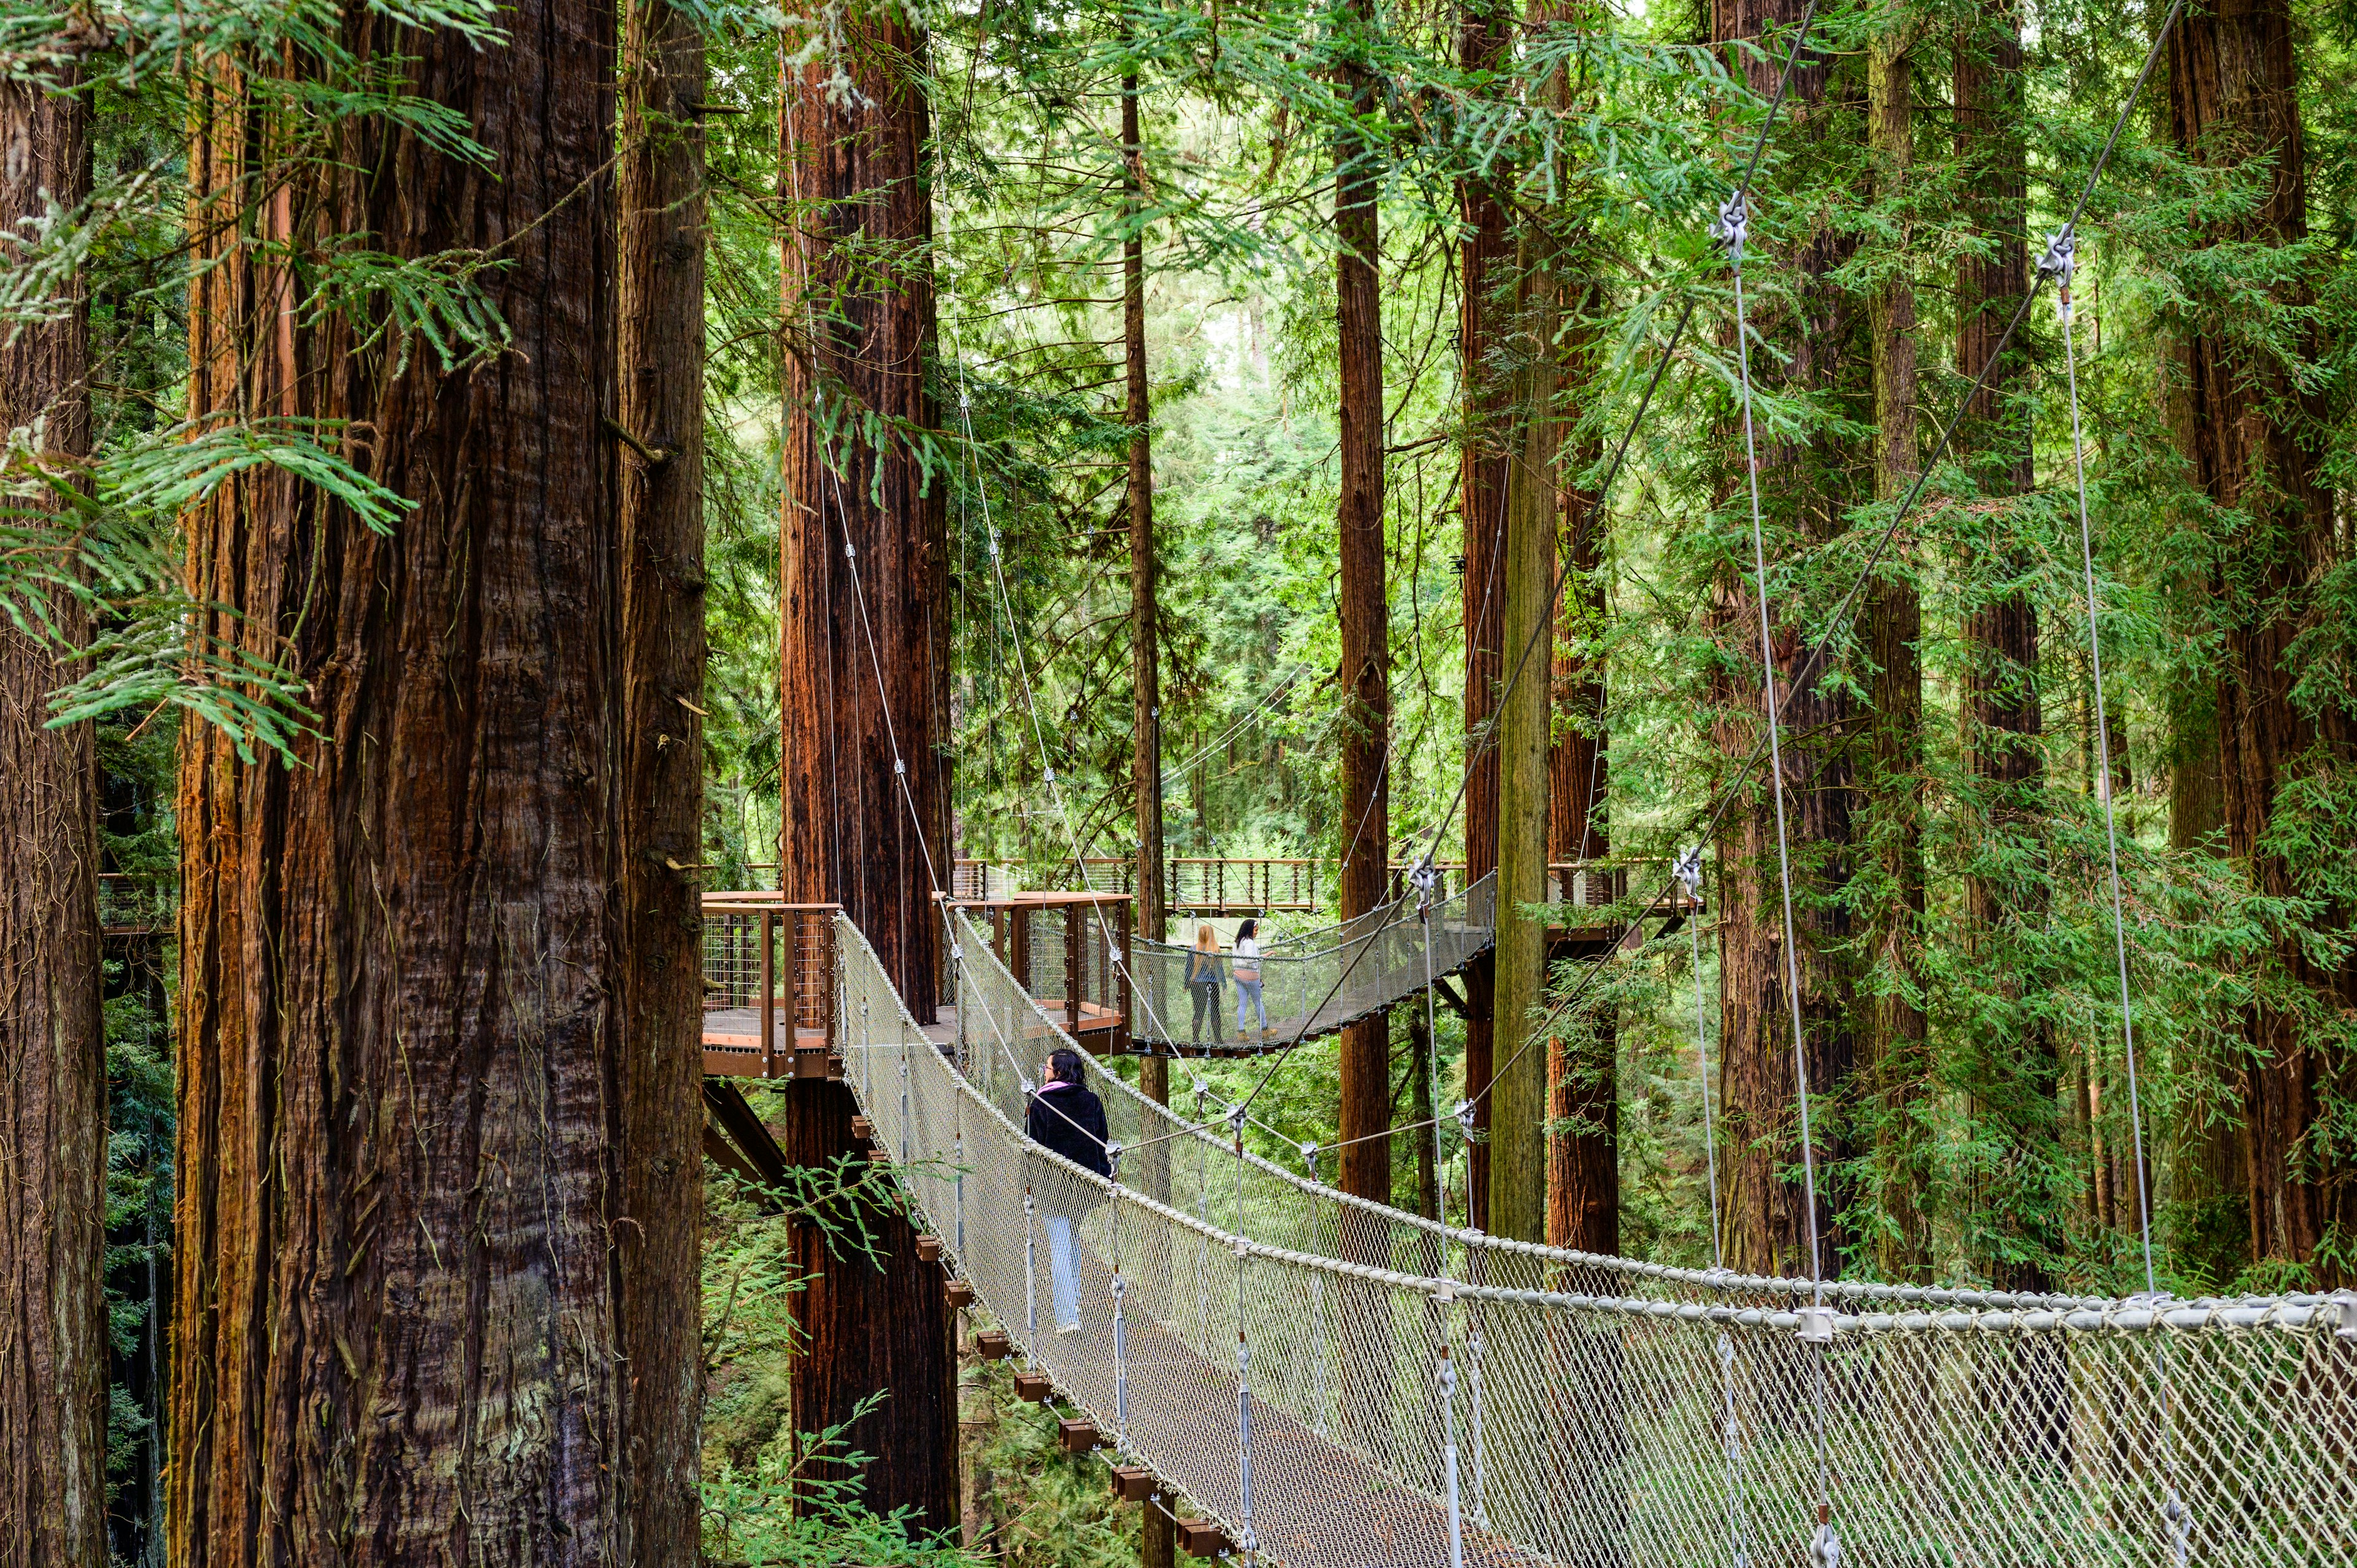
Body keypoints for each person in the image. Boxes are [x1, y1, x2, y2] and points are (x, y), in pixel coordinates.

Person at [1024, 1046, 1110, 1333]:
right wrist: (1105, 1179)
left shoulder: (1040, 1103)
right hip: (1085, 1187)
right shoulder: (1091, 1101)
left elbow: (1032, 1148)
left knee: (1061, 1248)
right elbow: (1101, 1142)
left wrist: (1031, 1185)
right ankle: (1072, 1305)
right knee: (1070, 1241)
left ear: (1058, 1071)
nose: (1044, 1072)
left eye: (1047, 1068)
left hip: (1051, 1187)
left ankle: (1067, 1316)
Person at [1184, 923, 1226, 1046]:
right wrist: (1224, 984)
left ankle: (1196, 1039)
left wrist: (1186, 985)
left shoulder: (1193, 950)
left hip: (1197, 984)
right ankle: (1218, 1039)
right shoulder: (1215, 950)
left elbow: (1189, 969)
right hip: (1212, 984)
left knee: (1198, 1011)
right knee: (1214, 1011)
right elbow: (1220, 969)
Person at [1233, 917, 1269, 1038]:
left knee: (1242, 1004)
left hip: (1238, 974)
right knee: (1258, 1002)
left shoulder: (1237, 942)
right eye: (1255, 930)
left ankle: (1241, 1032)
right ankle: (1265, 1030)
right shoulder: (1249, 942)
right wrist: (1263, 955)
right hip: (1250, 975)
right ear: (1250, 929)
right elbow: (1249, 959)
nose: (1257, 932)